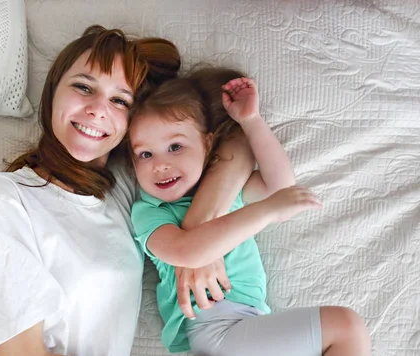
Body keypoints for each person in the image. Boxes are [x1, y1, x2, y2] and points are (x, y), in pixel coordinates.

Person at [0, 25, 256, 356]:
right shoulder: (1, 198)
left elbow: (237, 139)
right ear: (53, 91)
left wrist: (200, 227)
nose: (99, 109)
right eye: (84, 87)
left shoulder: (129, 188)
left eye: (119, 100)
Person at [128, 68, 372, 355]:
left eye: (175, 146)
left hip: (245, 327)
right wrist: (266, 211)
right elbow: (187, 251)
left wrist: (252, 122)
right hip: (213, 330)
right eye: (145, 154)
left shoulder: (228, 192)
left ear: (207, 143)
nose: (160, 165)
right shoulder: (150, 212)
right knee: (345, 327)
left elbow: (279, 185)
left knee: (347, 328)